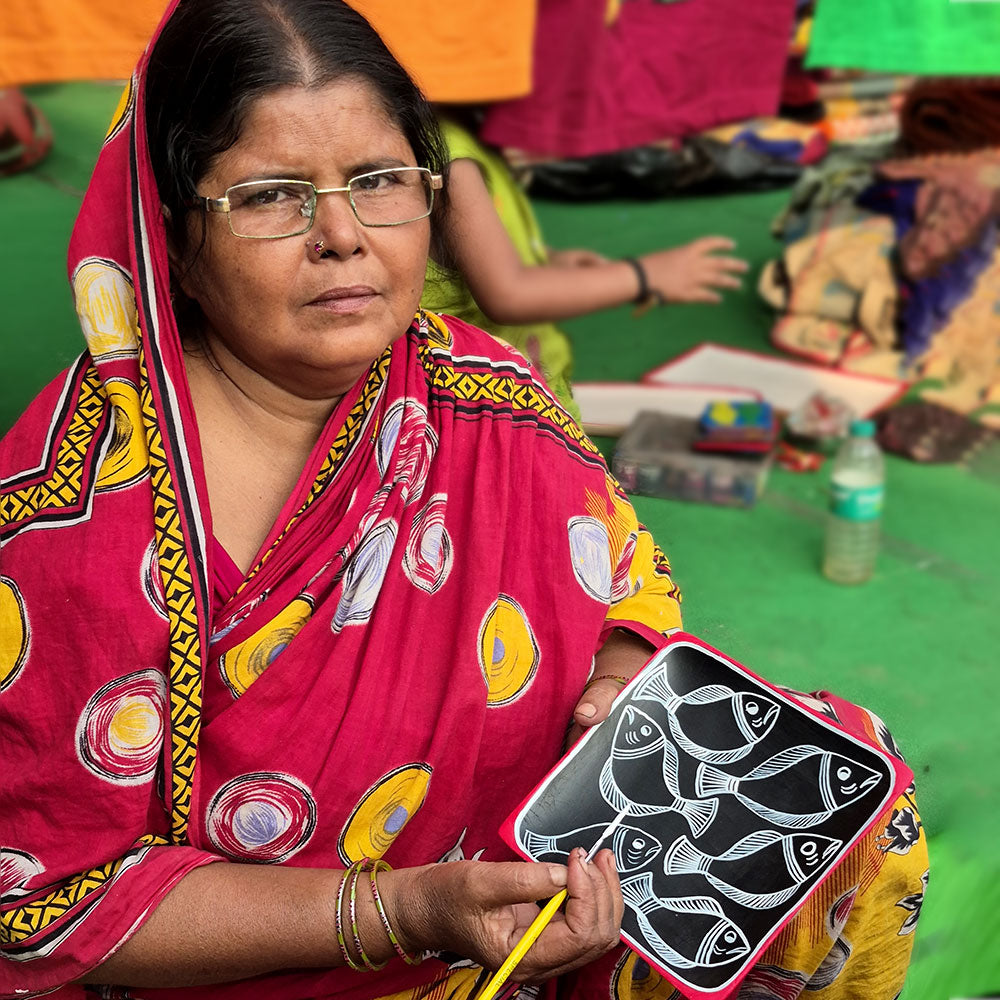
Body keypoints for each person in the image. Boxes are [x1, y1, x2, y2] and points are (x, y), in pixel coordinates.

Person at [0, 2, 926, 999]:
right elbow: (48, 895)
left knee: (853, 808)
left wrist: (615, 684)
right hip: (280, 963)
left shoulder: (484, 392)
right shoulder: (81, 512)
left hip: (529, 905)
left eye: (381, 180)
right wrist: (402, 912)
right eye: (270, 196)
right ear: (172, 235)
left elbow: (623, 581)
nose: (343, 236)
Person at [421, 115, 748, 419]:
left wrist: (547, 261)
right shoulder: (450, 155)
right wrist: (642, 275)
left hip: (517, 396)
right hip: (495, 415)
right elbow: (507, 294)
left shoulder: (456, 138)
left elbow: (468, 247)